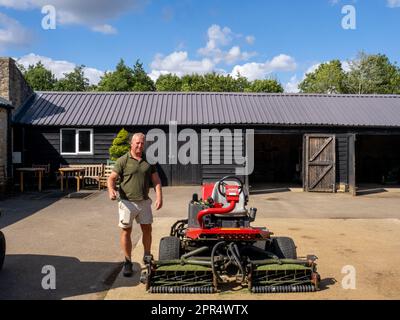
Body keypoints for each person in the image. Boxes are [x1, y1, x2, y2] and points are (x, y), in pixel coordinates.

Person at [107, 132, 162, 277]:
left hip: (144, 202)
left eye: (142, 143)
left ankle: (147, 256)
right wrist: (111, 190)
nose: (139, 145)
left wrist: (159, 197)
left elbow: (156, 181)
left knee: (147, 230)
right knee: (126, 231)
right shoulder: (123, 160)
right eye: (137, 143)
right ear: (131, 144)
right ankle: (127, 262)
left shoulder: (148, 161)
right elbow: (111, 178)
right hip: (126, 203)